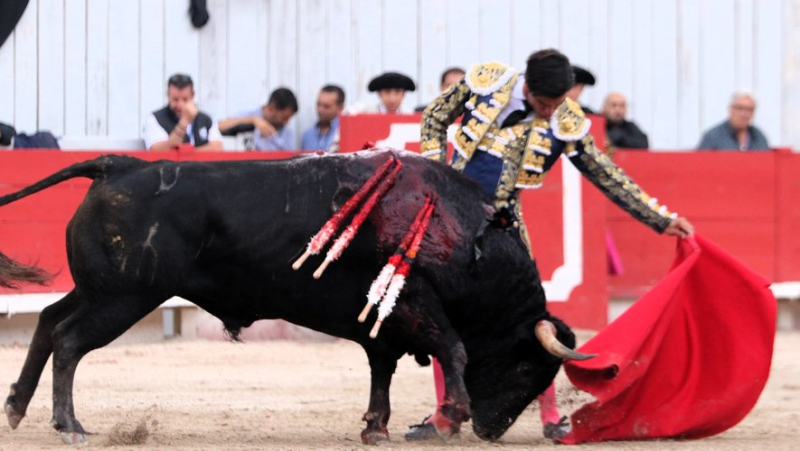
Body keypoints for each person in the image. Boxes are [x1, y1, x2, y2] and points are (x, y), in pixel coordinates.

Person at [413, 49, 694, 441]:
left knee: (532, 319)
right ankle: (446, 414)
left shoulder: (565, 120)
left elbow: (605, 173)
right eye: (545, 104)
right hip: (452, 217)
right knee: (442, 313)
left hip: (504, 224)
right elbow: (435, 116)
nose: (550, 112)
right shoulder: (487, 80)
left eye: (559, 103)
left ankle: (550, 415)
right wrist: (434, 172)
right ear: (526, 88)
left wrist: (660, 218)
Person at [142, 73, 224, 151]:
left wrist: (189, 155)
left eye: (185, 99)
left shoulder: (206, 119)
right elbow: (157, 150)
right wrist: (184, 123)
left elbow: (217, 147)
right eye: (175, 99)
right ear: (168, 95)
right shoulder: (155, 119)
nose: (180, 105)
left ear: (193, 95)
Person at [219, 88, 299, 151]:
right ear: (271, 109)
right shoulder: (249, 116)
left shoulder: (287, 132)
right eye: (284, 118)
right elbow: (219, 126)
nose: (287, 122)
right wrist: (253, 121)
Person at [697, 92, 770, 151]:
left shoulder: (758, 137)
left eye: (749, 110)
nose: (744, 114)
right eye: (740, 108)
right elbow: (700, 164)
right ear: (730, 110)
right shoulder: (713, 137)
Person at [345, 72, 416, 115]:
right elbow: (348, 112)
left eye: (397, 92)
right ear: (379, 94)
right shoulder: (367, 111)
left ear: (403, 94)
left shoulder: (409, 114)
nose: (392, 99)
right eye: (387, 92)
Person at [300, 85, 345, 153]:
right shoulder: (307, 135)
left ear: (340, 107)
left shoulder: (344, 134)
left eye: (326, 106)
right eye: (318, 104)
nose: (320, 110)